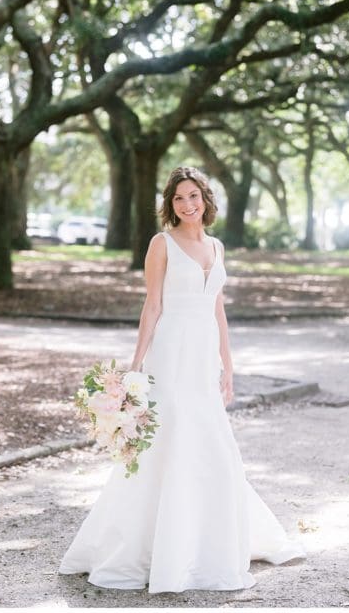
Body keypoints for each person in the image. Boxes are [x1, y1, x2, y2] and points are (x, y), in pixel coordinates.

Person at [59, 166, 304, 593]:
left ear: (206, 200)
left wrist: (228, 363)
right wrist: (135, 366)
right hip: (171, 352)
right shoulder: (162, 244)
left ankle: (206, 543)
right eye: (178, 198)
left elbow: (218, 308)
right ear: (170, 205)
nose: (187, 204)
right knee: (167, 438)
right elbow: (152, 306)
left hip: (203, 354)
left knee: (210, 440)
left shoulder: (216, 245)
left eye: (193, 196)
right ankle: (150, 546)